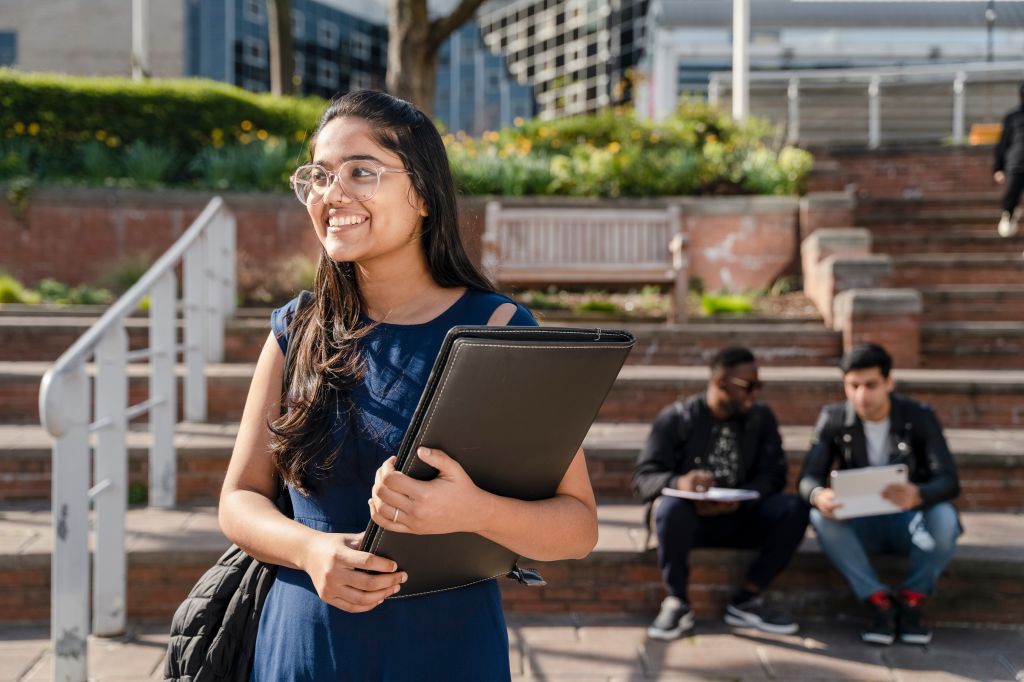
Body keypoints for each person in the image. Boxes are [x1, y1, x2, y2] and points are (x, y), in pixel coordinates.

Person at [218, 90, 599, 681]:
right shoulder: (298, 327)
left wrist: (473, 510)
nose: (331, 193)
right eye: (318, 175)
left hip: (445, 650)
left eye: (359, 171)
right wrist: (311, 551)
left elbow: (575, 528)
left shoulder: (498, 328)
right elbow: (238, 499)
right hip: (304, 646)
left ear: (421, 194)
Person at [633, 347, 809, 640]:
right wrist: (681, 483)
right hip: (692, 522)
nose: (754, 393)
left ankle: (747, 599)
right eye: (747, 386)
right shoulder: (677, 418)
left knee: (794, 508)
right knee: (669, 509)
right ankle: (677, 600)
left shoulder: (761, 418)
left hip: (741, 517)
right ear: (720, 383)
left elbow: (774, 475)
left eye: (758, 385)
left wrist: (742, 497)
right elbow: (643, 479)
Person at [799, 343, 961, 647]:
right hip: (860, 523)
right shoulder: (833, 418)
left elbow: (949, 481)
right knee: (818, 516)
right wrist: (820, 495)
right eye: (853, 386)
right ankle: (878, 600)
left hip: (909, 521)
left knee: (945, 516)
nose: (862, 395)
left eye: (871, 385)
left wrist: (919, 494)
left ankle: (912, 600)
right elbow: (808, 478)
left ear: (889, 382)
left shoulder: (919, 417)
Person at [993, 81, 1024, 237]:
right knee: (1010, 197)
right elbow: (1003, 144)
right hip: (1016, 165)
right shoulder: (1013, 118)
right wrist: (998, 168)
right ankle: (1009, 215)